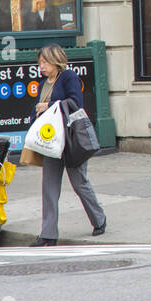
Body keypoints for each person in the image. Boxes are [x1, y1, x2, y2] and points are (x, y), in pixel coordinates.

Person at [31, 44, 107, 245]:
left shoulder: (69, 77)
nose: (42, 66)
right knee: (49, 188)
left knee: (79, 184)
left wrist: (49, 105)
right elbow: (37, 110)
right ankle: (48, 234)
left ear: (56, 61)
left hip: (71, 139)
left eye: (46, 62)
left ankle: (99, 219)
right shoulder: (42, 84)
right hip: (51, 142)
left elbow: (76, 102)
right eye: (40, 62)